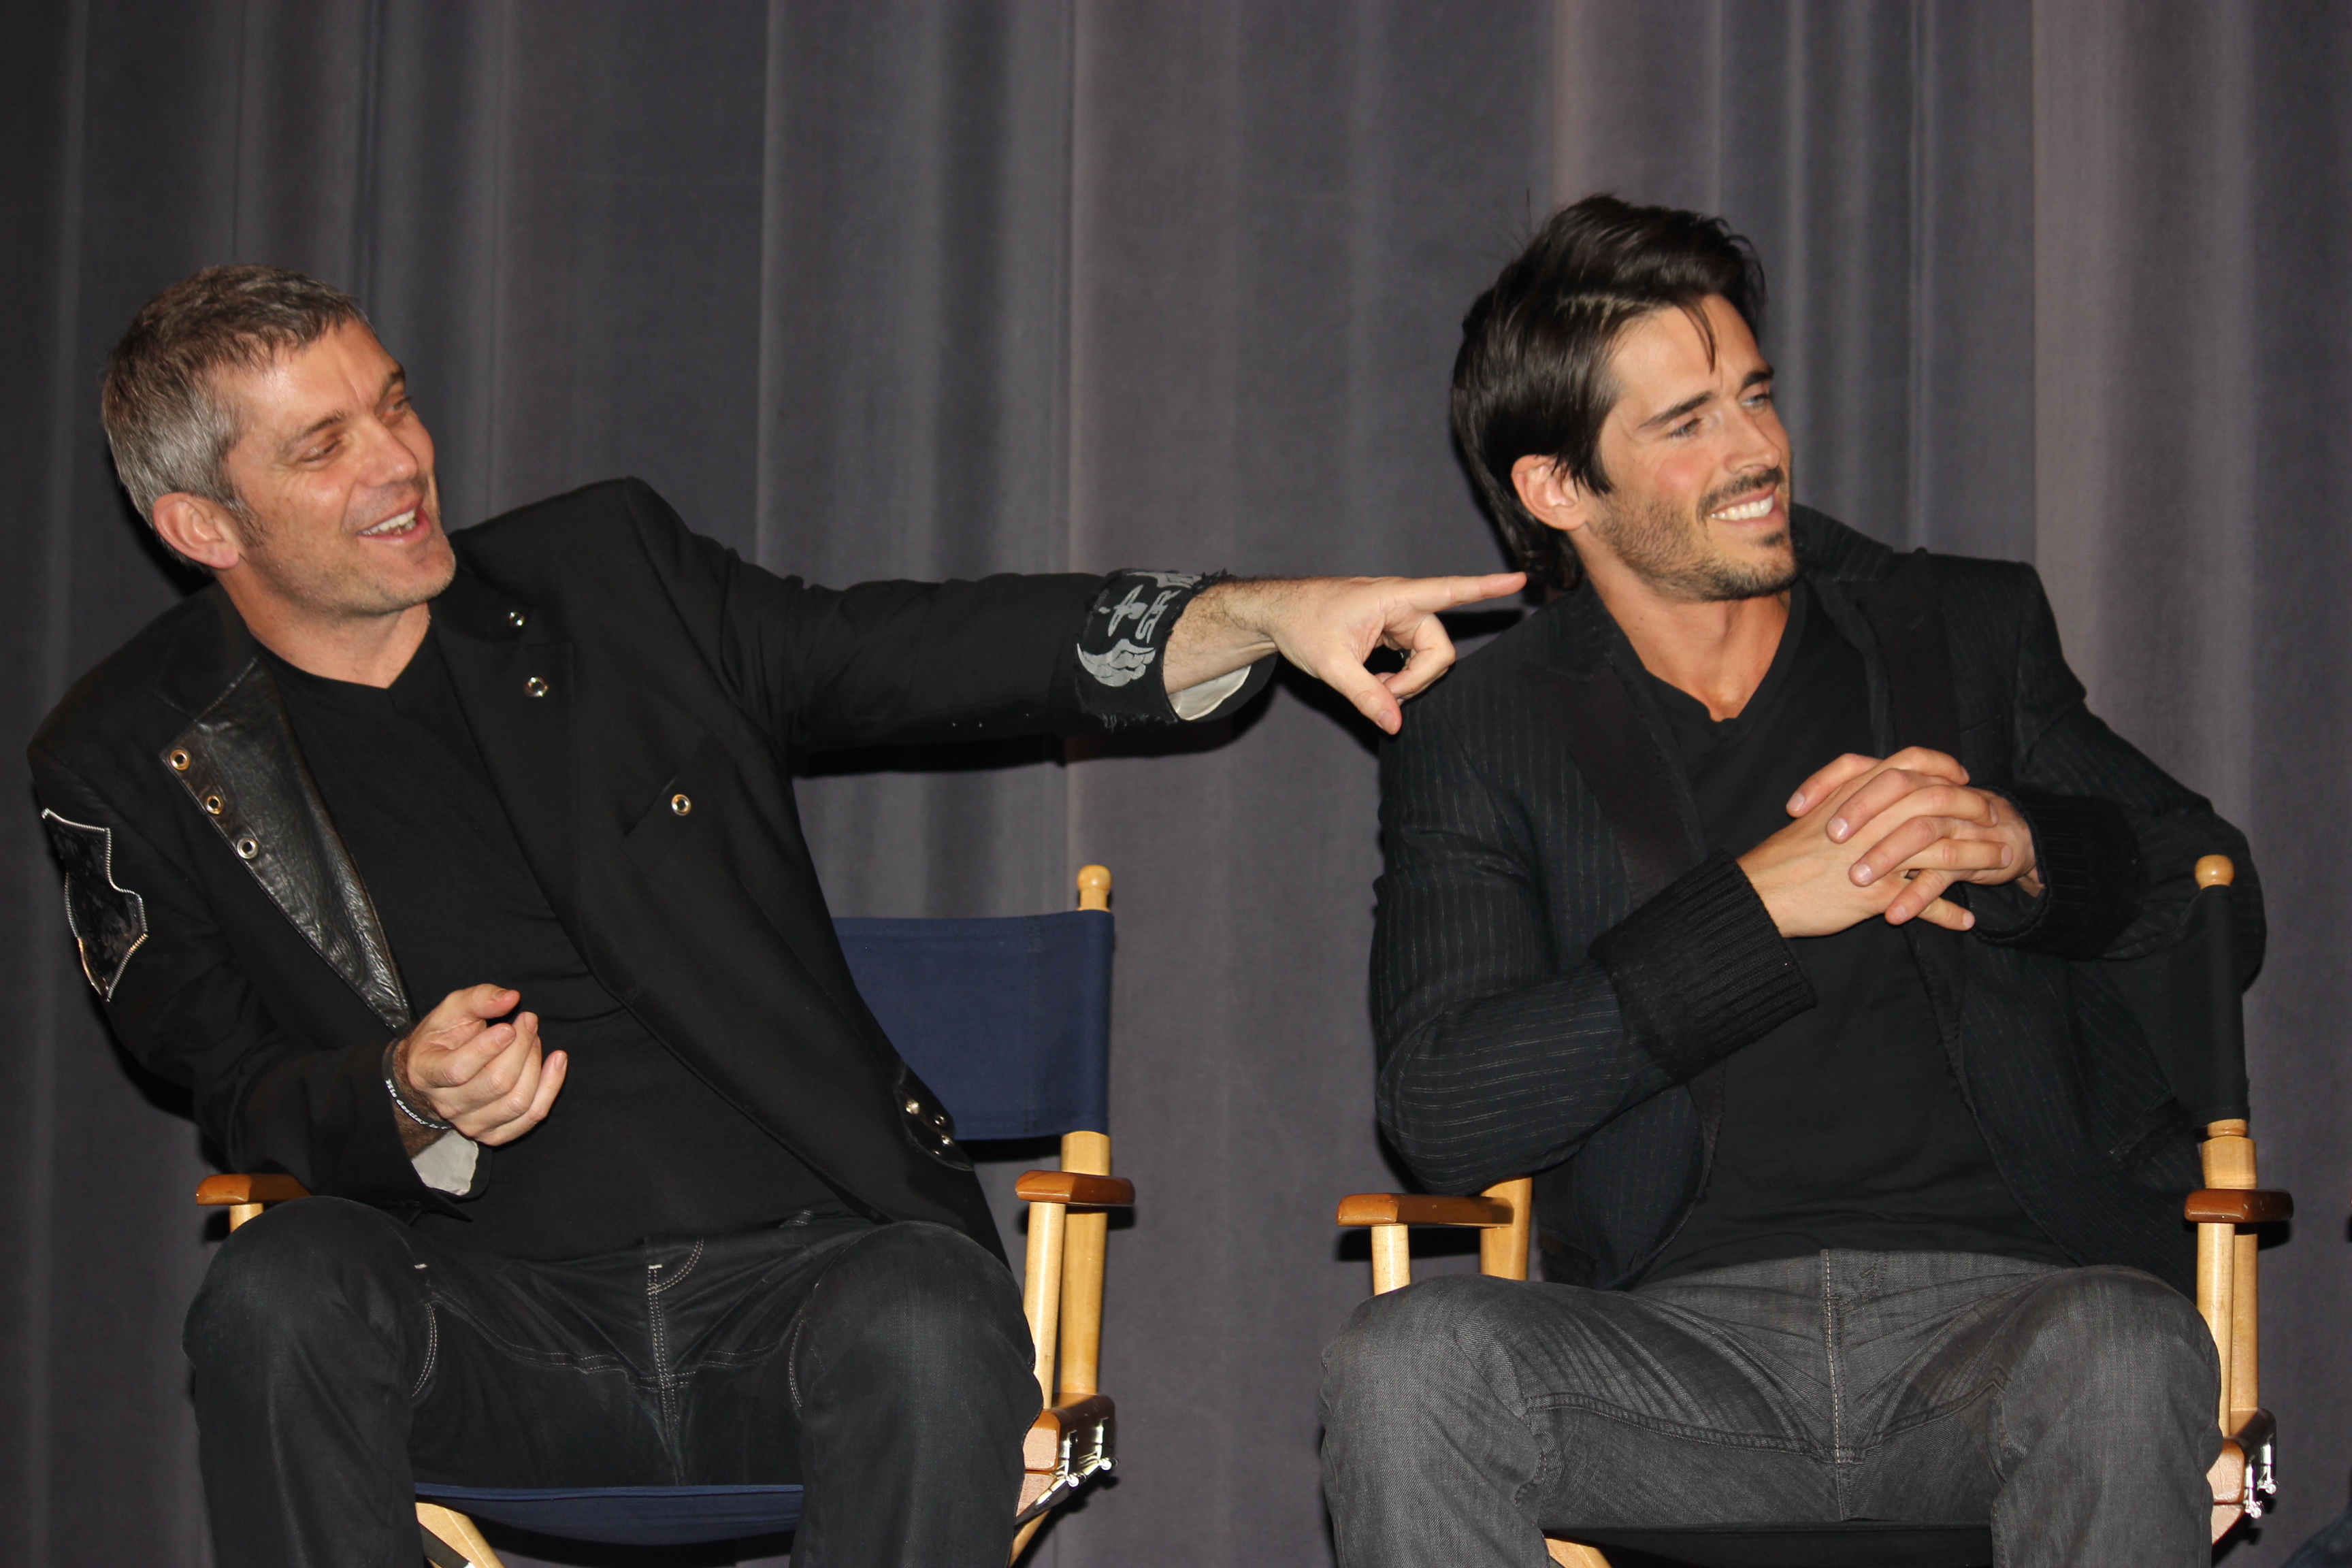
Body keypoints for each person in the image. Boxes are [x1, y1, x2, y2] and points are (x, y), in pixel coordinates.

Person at [29, 264, 1521, 1568]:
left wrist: (1258, 614)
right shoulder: (127, 756)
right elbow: (218, 1074)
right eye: (325, 445)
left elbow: (915, 650)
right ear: (201, 524)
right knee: (274, 1292)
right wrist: (399, 1093)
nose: (402, 460)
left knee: (932, 1314)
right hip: (488, 1327)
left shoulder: (608, 577)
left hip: (804, 1299)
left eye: (395, 401)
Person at [1318, 196, 2259, 1568]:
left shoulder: (1962, 631)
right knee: (1412, 1361)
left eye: (1754, 394)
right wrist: (1754, 909)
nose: (1759, 449)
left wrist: (2022, 843)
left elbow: (2212, 898)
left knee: (2124, 1351)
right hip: (1677, 1358)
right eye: (1686, 421)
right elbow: (1447, 1107)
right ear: (1557, 490)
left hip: (2015, 1333)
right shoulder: (1486, 728)